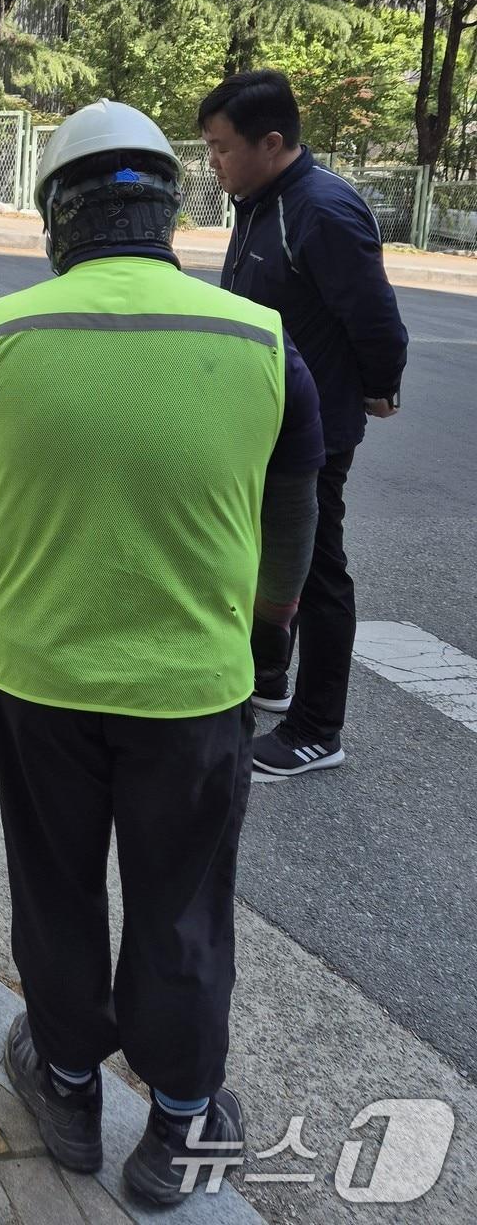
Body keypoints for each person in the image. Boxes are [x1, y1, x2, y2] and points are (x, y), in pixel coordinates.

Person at [0, 100, 325, 1205]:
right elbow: (292, 519)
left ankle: (71, 1087)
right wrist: (268, 646)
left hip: (39, 680)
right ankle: (177, 1125)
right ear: (169, 210)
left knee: (53, 890)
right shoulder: (260, 340)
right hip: (192, 689)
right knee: (180, 902)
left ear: (55, 216)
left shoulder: (1, 337)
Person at [199, 69, 409, 778]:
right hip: (263, 416)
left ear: (273, 142)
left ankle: (318, 728)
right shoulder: (261, 198)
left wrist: (381, 385)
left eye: (222, 148)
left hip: (312, 425)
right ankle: (269, 676)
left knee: (318, 568)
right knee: (262, 549)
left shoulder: (321, 210)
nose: (214, 162)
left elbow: (376, 317)